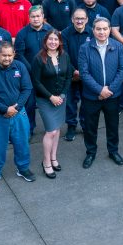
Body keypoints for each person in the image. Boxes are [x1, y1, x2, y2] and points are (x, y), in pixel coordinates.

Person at [0, 42, 36, 188]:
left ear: (14, 54)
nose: (7, 58)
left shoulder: (20, 67)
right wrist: (5, 110)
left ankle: (23, 168)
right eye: (4, 55)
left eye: (10, 55)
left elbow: (27, 88)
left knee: (22, 143)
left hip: (19, 114)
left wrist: (16, 108)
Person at [78, 18, 123, 168]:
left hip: (112, 95)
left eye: (105, 29)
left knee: (112, 125)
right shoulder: (85, 48)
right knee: (90, 127)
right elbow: (84, 73)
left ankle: (113, 151)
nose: (102, 32)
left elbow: (122, 69)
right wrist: (100, 90)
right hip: (91, 96)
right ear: (93, 30)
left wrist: (109, 90)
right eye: (98, 29)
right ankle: (90, 152)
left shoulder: (118, 46)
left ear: (109, 30)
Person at [31, 30, 72, 178]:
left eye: (56, 39)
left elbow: (68, 76)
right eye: (50, 39)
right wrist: (51, 97)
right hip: (45, 99)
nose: (53, 42)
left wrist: (62, 95)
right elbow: (36, 82)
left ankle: (53, 157)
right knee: (51, 131)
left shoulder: (64, 56)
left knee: (57, 128)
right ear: (45, 41)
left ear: (60, 42)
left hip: (61, 98)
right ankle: (46, 162)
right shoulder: (38, 58)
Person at [16, 6, 53, 132]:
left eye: (38, 16)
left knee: (48, 102)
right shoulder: (22, 33)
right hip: (29, 74)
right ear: (29, 18)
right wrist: (32, 70)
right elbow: (19, 54)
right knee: (30, 104)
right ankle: (29, 129)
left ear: (43, 17)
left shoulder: (51, 31)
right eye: (33, 16)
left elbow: (55, 51)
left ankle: (51, 127)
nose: (36, 19)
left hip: (47, 73)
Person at [61, 9, 93, 142]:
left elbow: (93, 55)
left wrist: (83, 72)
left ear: (87, 19)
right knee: (70, 102)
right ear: (72, 19)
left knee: (87, 101)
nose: (79, 21)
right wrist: (74, 71)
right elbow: (64, 55)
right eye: (77, 18)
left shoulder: (92, 32)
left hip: (88, 74)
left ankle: (85, 125)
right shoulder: (65, 33)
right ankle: (71, 126)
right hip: (70, 74)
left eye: (82, 18)